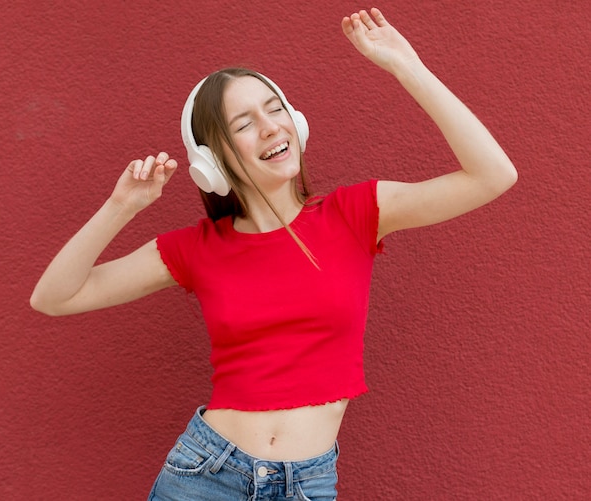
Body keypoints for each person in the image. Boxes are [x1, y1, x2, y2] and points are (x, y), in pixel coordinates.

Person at [30, 8, 517, 501]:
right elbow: (54, 297)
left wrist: (406, 66)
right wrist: (121, 207)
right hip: (206, 475)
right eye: (245, 122)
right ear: (212, 161)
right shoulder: (194, 249)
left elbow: (492, 176)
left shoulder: (354, 212)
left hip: (308, 483)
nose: (269, 127)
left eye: (275, 109)